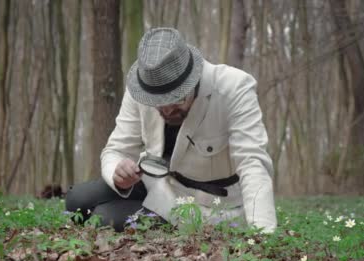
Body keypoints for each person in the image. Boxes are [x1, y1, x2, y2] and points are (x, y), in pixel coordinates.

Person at [65, 28, 277, 233]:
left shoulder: (234, 88)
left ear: (194, 80)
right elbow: (116, 149)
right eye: (158, 102)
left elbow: (253, 162)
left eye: (177, 98)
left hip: (206, 203)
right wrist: (118, 173)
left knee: (104, 218)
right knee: (77, 200)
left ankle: (171, 225)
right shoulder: (143, 86)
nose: (167, 109)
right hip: (155, 181)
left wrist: (263, 235)